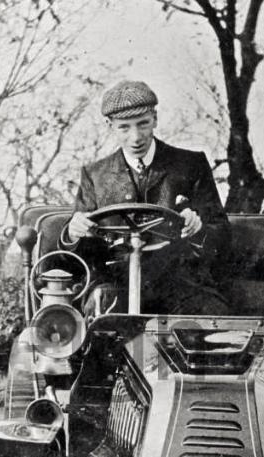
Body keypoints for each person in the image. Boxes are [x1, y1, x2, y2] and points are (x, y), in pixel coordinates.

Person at [65, 80, 230, 315]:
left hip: (180, 284)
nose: (136, 137)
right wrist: (75, 231)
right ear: (109, 125)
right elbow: (79, 254)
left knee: (211, 315)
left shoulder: (190, 165)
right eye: (124, 127)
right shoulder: (95, 175)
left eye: (143, 124)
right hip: (116, 284)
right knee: (99, 317)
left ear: (155, 118)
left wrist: (198, 229)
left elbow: (221, 235)